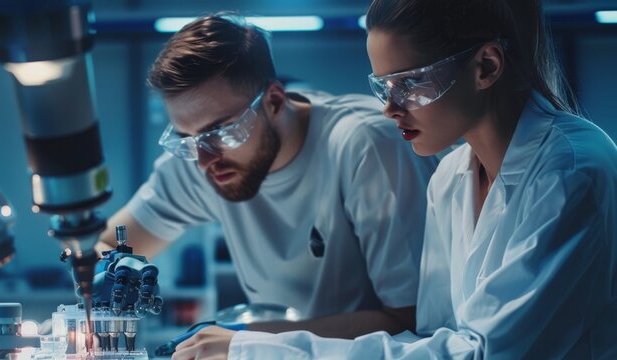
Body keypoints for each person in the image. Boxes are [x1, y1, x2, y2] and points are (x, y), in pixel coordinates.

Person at [175, 0, 617, 358]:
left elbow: (479, 353)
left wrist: (259, 348)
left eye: (410, 83)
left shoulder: (570, 170)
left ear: (486, 66)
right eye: (384, 87)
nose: (390, 108)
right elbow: (429, 338)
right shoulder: (450, 177)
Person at [95, 13, 439, 348]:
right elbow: (106, 246)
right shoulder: (201, 155)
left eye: (222, 131)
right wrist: (115, 275)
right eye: (186, 138)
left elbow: (412, 320)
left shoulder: (367, 147)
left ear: (274, 101)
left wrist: (251, 339)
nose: (203, 159)